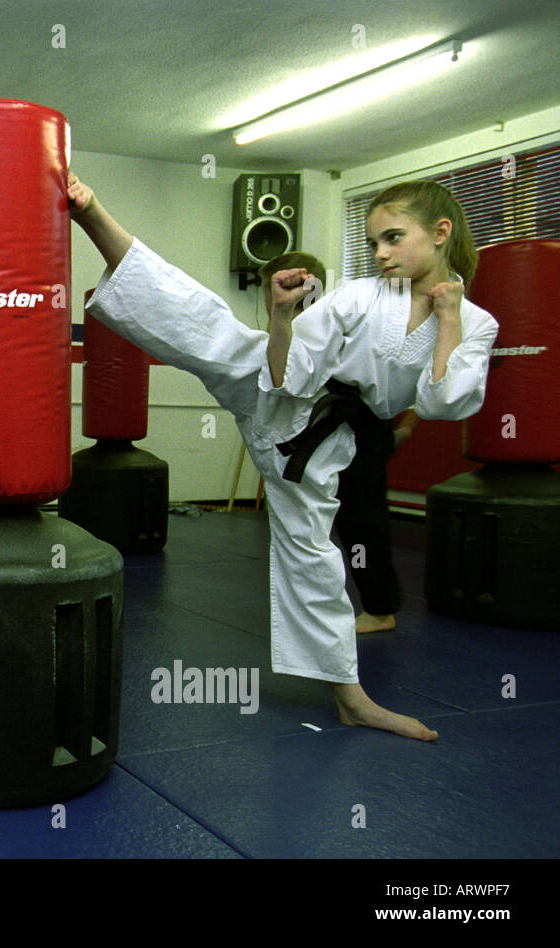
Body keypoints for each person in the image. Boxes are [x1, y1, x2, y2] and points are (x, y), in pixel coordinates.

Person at [68, 173, 497, 741]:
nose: (380, 254)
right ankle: (92, 211)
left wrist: (449, 318)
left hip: (322, 443)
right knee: (198, 316)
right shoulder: (361, 296)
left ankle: (350, 699)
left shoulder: (477, 323)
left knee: (312, 556)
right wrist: (278, 317)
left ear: (441, 233)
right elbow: (287, 373)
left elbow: (445, 401)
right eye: (372, 243)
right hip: (275, 386)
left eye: (393, 238)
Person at [258, 252, 416, 635]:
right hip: (331, 430)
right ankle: (320, 606)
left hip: (358, 425)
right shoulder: (296, 322)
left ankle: (379, 609)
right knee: (321, 520)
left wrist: (402, 426)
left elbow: (399, 371)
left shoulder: (335, 318)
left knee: (361, 519)